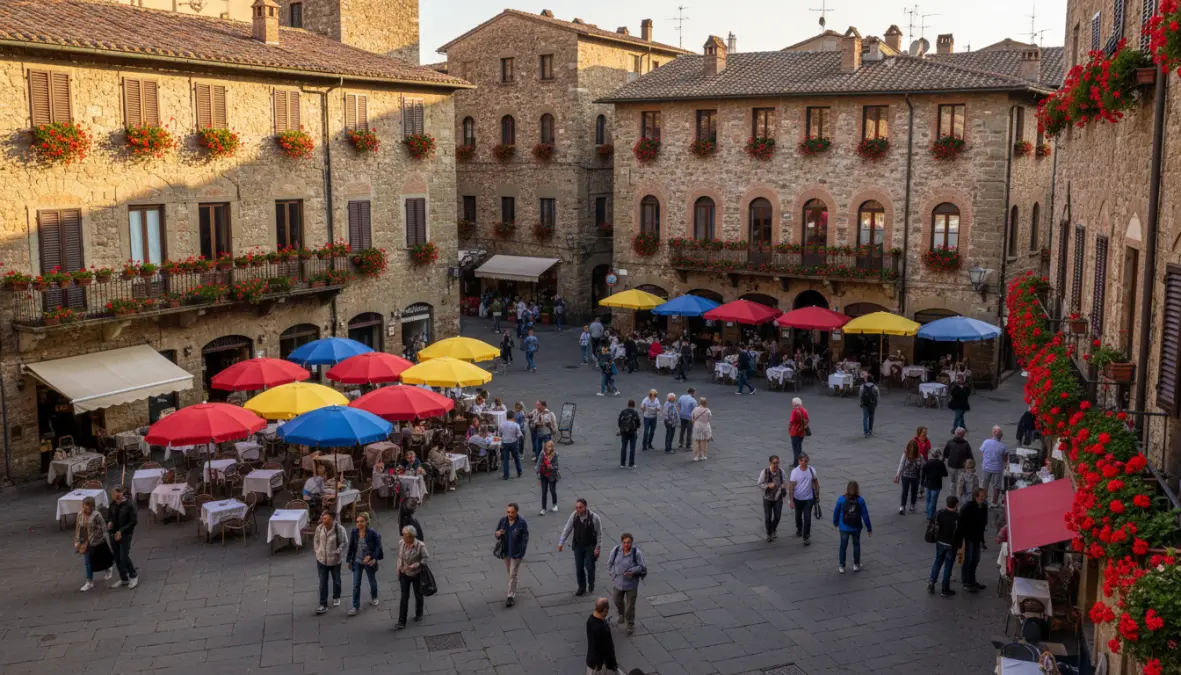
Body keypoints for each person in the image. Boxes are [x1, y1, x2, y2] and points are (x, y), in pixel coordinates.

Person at [558, 498, 603, 596]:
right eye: (577, 507)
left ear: (585, 507)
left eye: (580, 507)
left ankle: (591, 582)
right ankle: (581, 587)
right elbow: (567, 529)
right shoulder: (574, 516)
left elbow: (599, 533)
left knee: (589, 566)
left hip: (590, 546)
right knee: (579, 567)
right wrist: (561, 542)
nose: (578, 509)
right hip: (578, 545)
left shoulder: (594, 517)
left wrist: (597, 547)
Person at [608, 533, 647, 636]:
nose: (626, 545)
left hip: (631, 584)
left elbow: (642, 567)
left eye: (628, 542)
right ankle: (621, 613)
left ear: (631, 542)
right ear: (622, 542)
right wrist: (612, 573)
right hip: (618, 582)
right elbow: (610, 563)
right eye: (624, 542)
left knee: (630, 607)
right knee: (616, 600)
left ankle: (630, 624)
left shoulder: (636, 553)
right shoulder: (616, 550)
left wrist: (632, 571)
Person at [345, 513, 382, 616]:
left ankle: (374, 597)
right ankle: (355, 607)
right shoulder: (354, 532)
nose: (359, 524)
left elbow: (378, 547)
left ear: (366, 522)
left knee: (372, 580)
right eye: (357, 522)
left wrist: (372, 557)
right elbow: (351, 547)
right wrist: (349, 560)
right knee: (356, 584)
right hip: (357, 561)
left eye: (362, 521)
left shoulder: (372, 533)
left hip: (368, 562)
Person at [832, 481, 872, 574]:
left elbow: (836, 512)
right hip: (856, 527)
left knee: (843, 546)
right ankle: (856, 565)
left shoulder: (841, 499)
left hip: (844, 527)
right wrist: (869, 528)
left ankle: (842, 566)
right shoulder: (860, 500)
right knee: (856, 545)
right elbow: (865, 515)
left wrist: (835, 522)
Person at [395, 525, 430, 629]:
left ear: (411, 536)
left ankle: (419, 613)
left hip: (416, 574)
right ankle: (402, 621)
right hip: (404, 573)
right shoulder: (401, 543)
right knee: (404, 597)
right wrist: (399, 568)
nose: (402, 536)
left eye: (404, 534)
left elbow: (425, 558)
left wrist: (417, 564)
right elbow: (400, 557)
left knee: (418, 595)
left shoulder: (420, 545)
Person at [74, 495, 112, 591]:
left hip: (97, 541)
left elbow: (104, 528)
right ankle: (89, 581)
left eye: (88, 506)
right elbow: (78, 528)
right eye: (85, 506)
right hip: (85, 541)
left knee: (99, 559)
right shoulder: (80, 515)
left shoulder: (97, 515)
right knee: (87, 562)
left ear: (92, 506)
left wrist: (107, 540)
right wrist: (77, 541)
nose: (86, 508)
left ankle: (107, 568)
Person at [494, 503, 529, 607]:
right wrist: (498, 534)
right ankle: (514, 583)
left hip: (516, 552)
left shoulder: (521, 523)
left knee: (512, 573)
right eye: (508, 512)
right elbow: (497, 533)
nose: (509, 514)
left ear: (516, 512)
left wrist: (521, 553)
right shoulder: (503, 520)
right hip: (506, 551)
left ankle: (510, 596)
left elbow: (525, 539)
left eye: (512, 512)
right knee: (510, 572)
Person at [314, 510, 348, 614]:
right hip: (321, 560)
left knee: (336, 580)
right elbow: (316, 541)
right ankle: (323, 604)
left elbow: (344, 542)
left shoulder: (340, 529)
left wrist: (338, 551)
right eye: (323, 518)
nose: (323, 520)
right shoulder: (319, 528)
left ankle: (336, 596)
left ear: (332, 519)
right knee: (322, 582)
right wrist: (317, 551)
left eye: (325, 518)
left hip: (335, 561)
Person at [956, 488, 989, 592]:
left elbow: (983, 523)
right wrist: (962, 538)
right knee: (968, 559)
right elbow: (961, 523)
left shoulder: (984, 507)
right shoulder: (968, 507)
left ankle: (972, 580)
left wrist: (982, 540)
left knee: (976, 559)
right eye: (981, 496)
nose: (983, 498)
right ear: (976, 497)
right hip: (969, 537)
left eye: (984, 496)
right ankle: (966, 582)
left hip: (977, 538)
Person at [107, 485, 139, 589]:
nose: (116, 496)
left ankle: (133, 575)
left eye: (118, 494)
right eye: (114, 494)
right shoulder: (112, 504)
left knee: (123, 557)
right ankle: (123, 578)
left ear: (122, 493)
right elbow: (109, 517)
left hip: (125, 534)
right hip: (113, 533)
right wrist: (109, 522)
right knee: (117, 557)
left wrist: (121, 531)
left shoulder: (129, 505)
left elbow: (133, 521)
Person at [929, 495, 960, 597]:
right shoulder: (957, 517)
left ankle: (931, 582)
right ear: (956, 505)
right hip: (951, 545)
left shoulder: (940, 513)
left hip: (940, 542)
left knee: (937, 562)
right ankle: (945, 588)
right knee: (948, 566)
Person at [788, 452, 819, 545]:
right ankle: (799, 528)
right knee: (798, 516)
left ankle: (806, 536)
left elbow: (816, 482)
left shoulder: (811, 470)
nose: (804, 463)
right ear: (799, 461)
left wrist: (817, 495)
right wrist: (791, 500)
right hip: (797, 498)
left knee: (807, 517)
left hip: (809, 498)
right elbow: (791, 487)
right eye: (802, 461)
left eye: (805, 461)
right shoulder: (795, 472)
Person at [757, 455, 788, 542]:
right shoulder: (765, 472)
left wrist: (783, 487)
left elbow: (784, 481)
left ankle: (773, 529)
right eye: (774, 463)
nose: (776, 465)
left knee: (777, 516)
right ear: (770, 463)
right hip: (767, 498)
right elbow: (759, 483)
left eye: (777, 463)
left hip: (778, 498)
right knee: (768, 517)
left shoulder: (781, 472)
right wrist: (768, 486)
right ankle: (769, 534)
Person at [585, 597, 619, 675]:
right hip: (600, 665)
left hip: (591, 661)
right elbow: (606, 649)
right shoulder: (600, 628)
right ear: (605, 610)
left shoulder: (590, 620)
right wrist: (612, 664)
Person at [980, 426, 1009, 507]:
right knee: (996, 486)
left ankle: (983, 500)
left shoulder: (986, 442)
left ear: (993, 433)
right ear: (1001, 436)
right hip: (997, 468)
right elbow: (1005, 459)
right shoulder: (1003, 446)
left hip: (986, 467)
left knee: (985, 484)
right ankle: (994, 503)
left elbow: (983, 453)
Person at [894, 442, 923, 514]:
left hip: (908, 476)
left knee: (907, 491)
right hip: (912, 476)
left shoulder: (907, 454)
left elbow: (901, 465)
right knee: (912, 491)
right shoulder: (918, 456)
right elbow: (921, 467)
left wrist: (897, 475)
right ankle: (910, 505)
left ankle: (904, 506)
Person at [921, 449, 949, 520]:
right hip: (937, 484)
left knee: (928, 498)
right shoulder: (941, 463)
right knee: (933, 500)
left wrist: (922, 484)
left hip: (929, 483)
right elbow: (945, 474)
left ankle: (928, 511)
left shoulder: (928, 463)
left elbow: (923, 474)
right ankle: (931, 515)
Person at [498, 409, 523, 480]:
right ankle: (519, 471)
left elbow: (500, 434)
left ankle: (506, 475)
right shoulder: (516, 425)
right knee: (516, 457)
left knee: (506, 459)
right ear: (513, 417)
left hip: (505, 442)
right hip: (514, 442)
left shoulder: (502, 425)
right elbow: (519, 435)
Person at [537, 441, 561, 515]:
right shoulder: (542, 453)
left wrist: (551, 467)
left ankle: (554, 504)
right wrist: (538, 471)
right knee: (544, 492)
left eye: (549, 447)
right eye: (547, 447)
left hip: (552, 475)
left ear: (552, 448)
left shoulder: (555, 455)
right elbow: (539, 463)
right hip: (543, 474)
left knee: (552, 490)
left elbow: (556, 466)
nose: (548, 449)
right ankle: (543, 508)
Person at [617, 400, 641, 469]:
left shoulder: (623, 412)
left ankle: (622, 464)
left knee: (624, 448)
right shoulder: (635, 412)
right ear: (634, 405)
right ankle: (631, 464)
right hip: (632, 432)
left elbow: (619, 422)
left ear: (628, 404)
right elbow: (638, 423)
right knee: (632, 448)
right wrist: (635, 427)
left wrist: (622, 429)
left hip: (624, 432)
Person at [788, 397, 809, 468]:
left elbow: (791, 421)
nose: (792, 404)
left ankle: (796, 463)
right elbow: (807, 419)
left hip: (794, 431)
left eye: (792, 403)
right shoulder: (804, 410)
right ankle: (800, 461)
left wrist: (789, 428)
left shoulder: (794, 411)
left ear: (795, 403)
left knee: (795, 448)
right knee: (799, 447)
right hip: (801, 431)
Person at [690, 397, 712, 461]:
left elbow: (692, 417)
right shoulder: (707, 411)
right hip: (705, 426)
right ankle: (703, 455)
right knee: (704, 441)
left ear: (700, 402)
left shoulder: (695, 409)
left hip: (697, 426)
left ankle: (695, 456)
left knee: (696, 441)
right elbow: (709, 419)